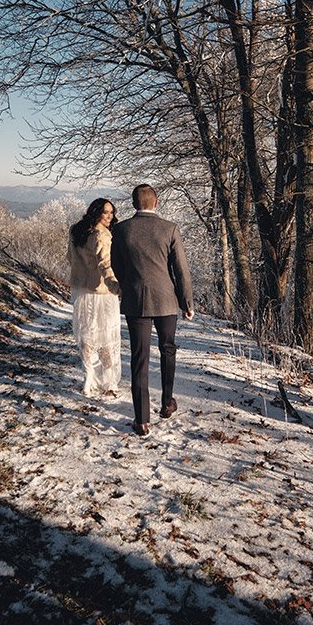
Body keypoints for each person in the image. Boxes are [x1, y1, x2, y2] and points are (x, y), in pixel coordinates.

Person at [111, 184, 194, 436]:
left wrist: (129, 286)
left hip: (136, 301)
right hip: (166, 300)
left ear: (134, 204)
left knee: (140, 358)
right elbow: (181, 270)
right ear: (155, 203)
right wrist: (186, 303)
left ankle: (142, 420)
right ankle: (167, 403)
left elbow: (117, 266)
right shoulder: (170, 229)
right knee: (168, 349)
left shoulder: (121, 229)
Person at [67, 199, 121, 397]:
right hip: (102, 293)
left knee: (86, 335)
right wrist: (116, 287)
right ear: (96, 212)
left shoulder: (75, 230)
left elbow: (69, 258)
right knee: (107, 337)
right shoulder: (102, 234)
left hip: (81, 291)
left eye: (111, 213)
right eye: (106, 212)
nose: (110, 216)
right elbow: (105, 264)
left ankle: (89, 378)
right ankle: (109, 382)